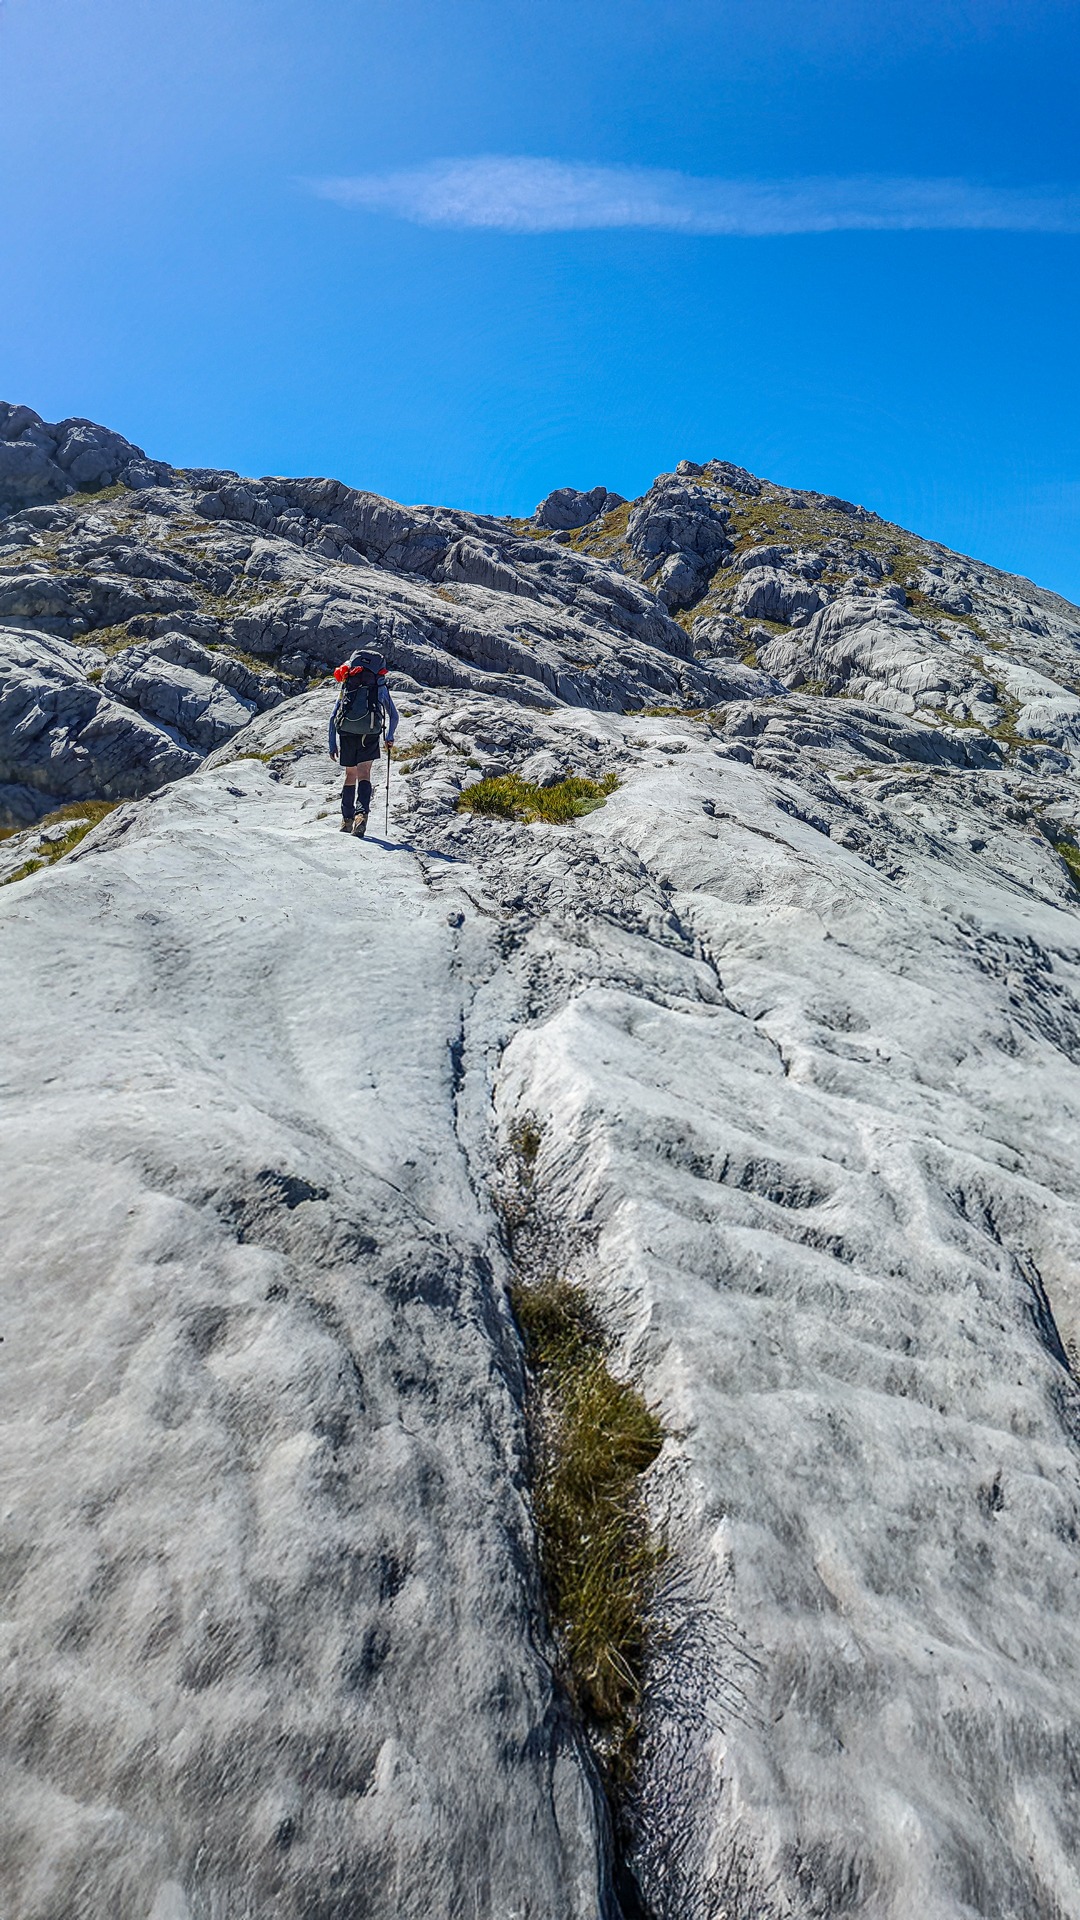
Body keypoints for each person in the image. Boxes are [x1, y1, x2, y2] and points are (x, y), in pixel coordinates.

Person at [328, 649, 399, 836]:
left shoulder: (348, 682)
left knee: (350, 775)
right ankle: (361, 816)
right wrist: (389, 737)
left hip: (347, 732)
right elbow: (394, 715)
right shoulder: (379, 686)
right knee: (364, 774)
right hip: (370, 733)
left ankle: (346, 820)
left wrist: (332, 744)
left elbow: (334, 716)